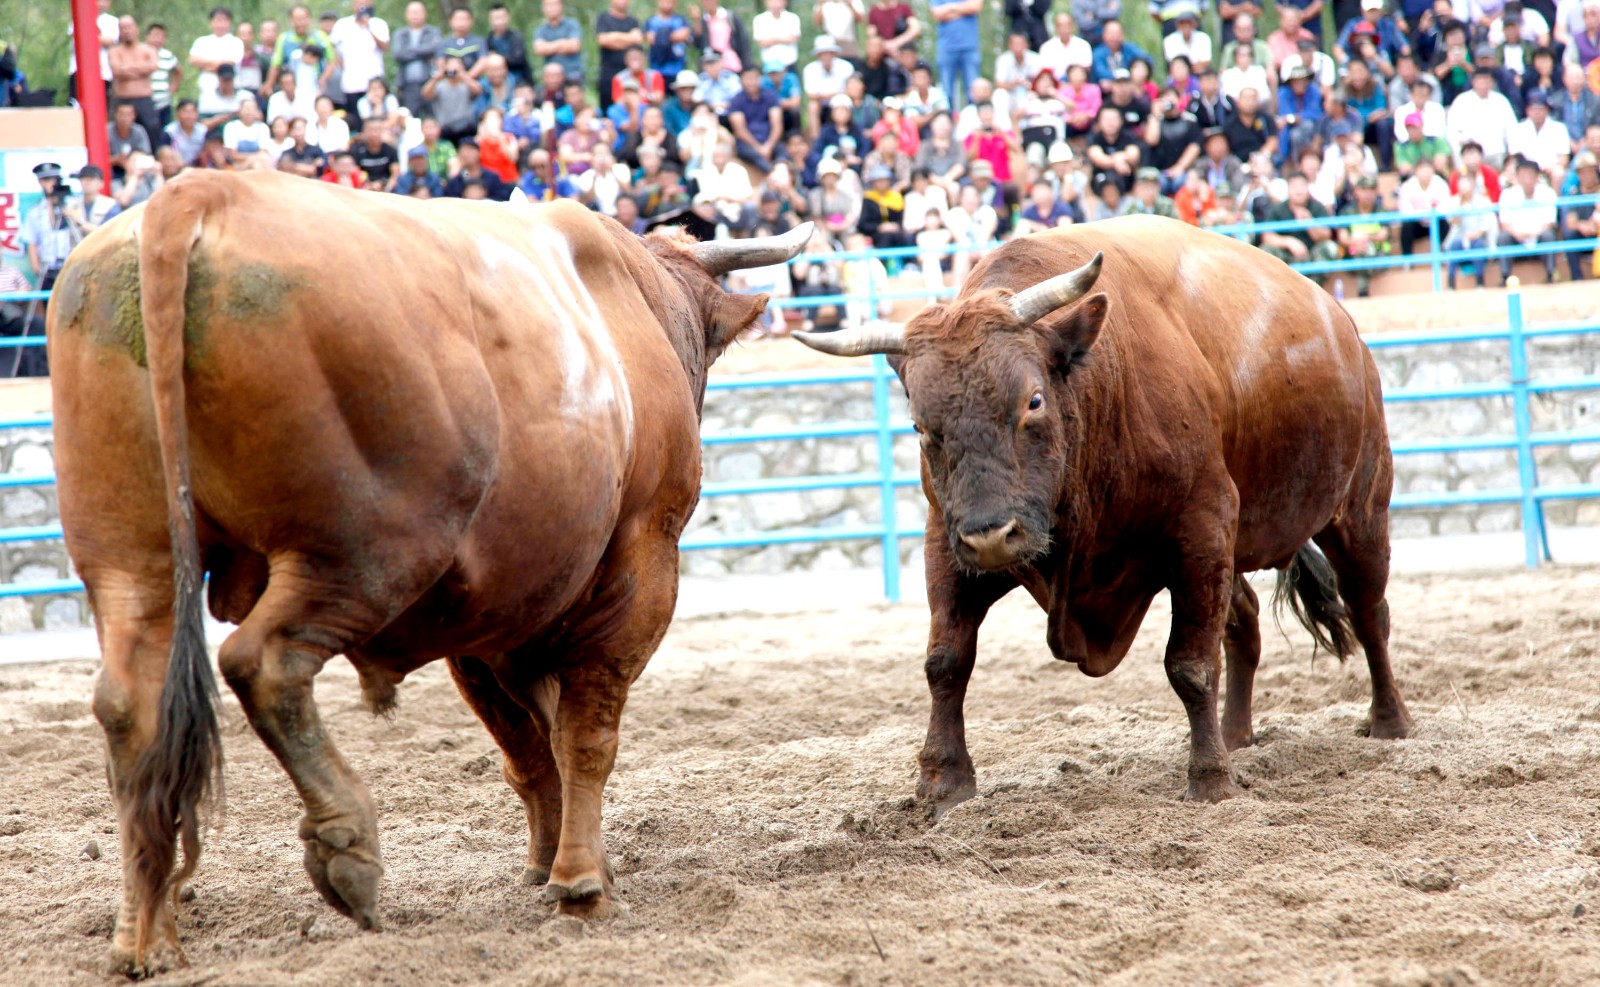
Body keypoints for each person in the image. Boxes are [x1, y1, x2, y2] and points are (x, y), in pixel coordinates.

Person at [1497, 157, 1560, 282]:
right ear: (1517, 176)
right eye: (1523, 175)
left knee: (1548, 236)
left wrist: (1534, 234)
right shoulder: (1508, 194)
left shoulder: (1548, 193)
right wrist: (1518, 234)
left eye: (1530, 175)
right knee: (1503, 237)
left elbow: (1550, 222)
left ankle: (1550, 274)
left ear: (1537, 176)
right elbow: (1504, 223)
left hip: (1539, 236)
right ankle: (1505, 276)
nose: (1527, 180)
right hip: (1517, 238)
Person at [1260, 171, 1339, 270]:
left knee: (1330, 247)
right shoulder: (1278, 209)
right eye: (1294, 186)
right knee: (1266, 250)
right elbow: (1267, 237)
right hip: (1285, 256)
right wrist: (1289, 242)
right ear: (1288, 189)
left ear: (1308, 187)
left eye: (1302, 186)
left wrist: (1310, 223)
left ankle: (1314, 284)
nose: (1298, 191)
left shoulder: (1317, 207)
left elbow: (1327, 235)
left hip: (1312, 255)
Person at [329, 2, 390, 122]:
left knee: (376, 119)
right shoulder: (342, 24)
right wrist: (342, 66)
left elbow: (384, 46)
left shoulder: (378, 23)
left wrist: (368, 26)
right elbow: (333, 49)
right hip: (351, 83)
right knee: (355, 119)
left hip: (374, 82)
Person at [19, 164, 75, 289]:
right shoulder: (36, 211)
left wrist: (71, 215)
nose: (52, 184)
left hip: (72, 266)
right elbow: (31, 242)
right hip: (47, 269)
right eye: (47, 180)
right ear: (40, 182)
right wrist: (36, 268)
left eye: (54, 179)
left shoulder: (73, 206)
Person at [1337, 175, 1391, 296]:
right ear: (1356, 191)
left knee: (1365, 250)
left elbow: (1383, 234)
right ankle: (1363, 292)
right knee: (1360, 251)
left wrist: (1366, 238)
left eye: (1371, 190)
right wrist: (1355, 243)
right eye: (1363, 190)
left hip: (1378, 255)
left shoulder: (1381, 210)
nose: (1367, 194)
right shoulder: (1347, 212)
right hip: (1353, 254)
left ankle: (1363, 292)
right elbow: (1343, 237)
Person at [109, 16, 161, 143]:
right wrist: (141, 69)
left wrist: (127, 67)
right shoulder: (115, 51)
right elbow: (117, 71)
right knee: (116, 131)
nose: (126, 31)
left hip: (144, 98)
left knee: (152, 129)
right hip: (122, 98)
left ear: (136, 29)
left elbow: (153, 66)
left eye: (129, 27)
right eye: (123, 28)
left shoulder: (148, 49)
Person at [1144, 87, 1202, 194]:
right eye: (1164, 97)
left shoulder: (1189, 120)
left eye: (1171, 96)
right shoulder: (1155, 120)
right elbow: (1151, 141)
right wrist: (1155, 115)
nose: (1168, 100)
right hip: (1159, 171)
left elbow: (1195, 146)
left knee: (1180, 183)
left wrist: (1179, 167)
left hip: (1182, 170)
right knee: (1156, 184)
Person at [191, 6, 246, 118]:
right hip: (207, 91)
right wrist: (219, 64)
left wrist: (206, 66)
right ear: (211, 22)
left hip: (229, 92)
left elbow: (230, 64)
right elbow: (193, 60)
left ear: (230, 22)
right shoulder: (202, 41)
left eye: (224, 20)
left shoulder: (236, 42)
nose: (220, 24)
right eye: (217, 20)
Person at [266, 4, 333, 94]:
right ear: (291, 21)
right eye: (297, 19)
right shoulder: (284, 39)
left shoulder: (320, 37)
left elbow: (332, 61)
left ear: (309, 19)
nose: (301, 22)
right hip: (292, 89)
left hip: (316, 87)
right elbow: (275, 65)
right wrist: (269, 84)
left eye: (303, 19)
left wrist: (323, 79)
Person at [729, 65, 783, 170]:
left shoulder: (770, 96)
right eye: (748, 78)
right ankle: (773, 173)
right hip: (747, 144)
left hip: (770, 140)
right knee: (753, 155)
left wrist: (769, 145)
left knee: (783, 153)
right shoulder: (736, 101)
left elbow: (777, 125)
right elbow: (740, 131)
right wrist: (758, 148)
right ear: (741, 80)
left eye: (754, 78)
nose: (751, 82)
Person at [930, 0, 982, 108]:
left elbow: (975, 7)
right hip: (946, 47)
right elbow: (937, 14)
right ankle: (946, 120)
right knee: (945, 92)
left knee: (974, 90)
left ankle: (975, 120)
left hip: (969, 46)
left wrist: (949, 7)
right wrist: (963, 10)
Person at [392, 2, 439, 116]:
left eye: (418, 12)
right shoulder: (400, 33)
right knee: (410, 118)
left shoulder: (432, 32)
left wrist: (409, 51)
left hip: (429, 82)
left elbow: (433, 49)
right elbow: (398, 54)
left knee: (431, 117)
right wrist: (422, 53)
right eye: (412, 12)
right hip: (407, 85)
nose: (415, 15)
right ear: (406, 15)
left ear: (425, 14)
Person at [1396, 158, 1451, 254]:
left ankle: (1442, 255)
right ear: (1415, 171)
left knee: (1444, 224)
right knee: (1406, 226)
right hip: (1417, 222)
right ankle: (1407, 259)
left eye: (1428, 168)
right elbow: (1405, 210)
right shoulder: (1407, 186)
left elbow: (1445, 207)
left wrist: (1431, 214)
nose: (1426, 172)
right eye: (1422, 169)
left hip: (1435, 221)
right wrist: (1423, 213)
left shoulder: (1441, 184)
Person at [803, 36, 855, 136]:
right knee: (812, 106)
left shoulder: (846, 66)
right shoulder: (810, 69)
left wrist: (827, 95)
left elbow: (850, 90)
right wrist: (834, 94)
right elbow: (811, 95)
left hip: (841, 101)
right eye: (822, 54)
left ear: (833, 54)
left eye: (828, 53)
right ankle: (816, 139)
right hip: (822, 104)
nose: (825, 57)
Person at [596, 0, 642, 112]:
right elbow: (603, 40)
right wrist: (629, 38)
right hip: (608, 74)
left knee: (629, 107)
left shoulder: (632, 21)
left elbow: (637, 40)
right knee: (607, 110)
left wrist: (613, 37)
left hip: (629, 74)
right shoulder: (603, 18)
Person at [425, 56, 483, 145]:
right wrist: (438, 77)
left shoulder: (466, 85)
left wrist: (462, 75)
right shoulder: (440, 86)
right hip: (445, 128)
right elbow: (425, 94)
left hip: (466, 128)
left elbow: (478, 90)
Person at [1561, 150, 1600, 280]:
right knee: (1570, 236)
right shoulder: (1575, 195)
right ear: (1578, 175)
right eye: (1583, 172)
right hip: (1584, 234)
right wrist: (1582, 226)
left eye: (1590, 171)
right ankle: (1577, 277)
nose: (1588, 176)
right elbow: (1570, 221)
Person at [533, 0, 584, 85]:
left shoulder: (572, 24)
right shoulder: (541, 29)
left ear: (561, 5)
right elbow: (539, 49)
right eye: (547, 5)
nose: (551, 8)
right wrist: (562, 43)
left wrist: (549, 46)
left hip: (572, 73)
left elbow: (574, 46)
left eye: (554, 4)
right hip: (551, 77)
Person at [107, 101, 153, 182]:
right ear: (116, 115)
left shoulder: (139, 131)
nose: (125, 118)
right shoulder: (107, 131)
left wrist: (132, 158)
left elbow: (146, 153)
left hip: (134, 166)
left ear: (133, 116)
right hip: (112, 168)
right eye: (122, 114)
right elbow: (99, 157)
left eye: (128, 115)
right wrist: (116, 160)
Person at [1041, 13, 1095, 80]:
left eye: (1067, 25)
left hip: (1078, 84)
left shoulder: (1083, 45)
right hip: (1055, 85)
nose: (1064, 28)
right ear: (1055, 28)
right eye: (1060, 25)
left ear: (1073, 26)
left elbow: (1086, 68)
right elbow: (1046, 72)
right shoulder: (1047, 47)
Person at [1016, 178, 1081, 233]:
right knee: (1023, 223)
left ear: (1050, 191)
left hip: (1057, 241)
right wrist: (1037, 227)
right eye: (1036, 191)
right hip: (1036, 243)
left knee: (1063, 222)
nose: (1039, 194)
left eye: (1042, 190)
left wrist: (1045, 230)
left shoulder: (1062, 208)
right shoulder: (1029, 212)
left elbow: (1067, 230)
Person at [693, 48, 742, 116]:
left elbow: (738, 97)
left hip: (730, 112)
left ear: (721, 63)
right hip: (710, 113)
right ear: (703, 67)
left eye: (714, 63)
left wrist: (725, 105)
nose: (712, 67)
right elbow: (697, 99)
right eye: (708, 64)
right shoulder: (701, 80)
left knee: (737, 115)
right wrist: (712, 106)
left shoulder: (730, 77)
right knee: (701, 111)